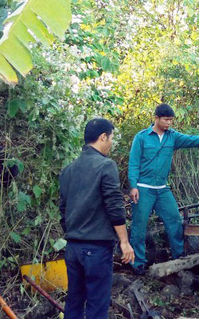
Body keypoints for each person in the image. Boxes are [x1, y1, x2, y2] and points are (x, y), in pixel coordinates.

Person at [128, 103, 199, 274]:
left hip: (162, 188)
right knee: (139, 226)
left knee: (175, 221)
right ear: (156, 118)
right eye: (166, 120)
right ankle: (138, 263)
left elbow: (192, 140)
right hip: (143, 188)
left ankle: (179, 257)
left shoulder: (172, 136)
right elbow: (133, 163)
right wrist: (133, 186)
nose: (169, 123)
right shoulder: (141, 137)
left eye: (171, 120)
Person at [59, 117, 135, 319]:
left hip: (73, 248)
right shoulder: (105, 166)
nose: (111, 143)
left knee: (74, 301)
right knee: (97, 306)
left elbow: (63, 210)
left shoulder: (68, 170)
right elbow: (114, 206)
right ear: (103, 137)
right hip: (96, 248)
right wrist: (124, 241)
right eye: (111, 138)